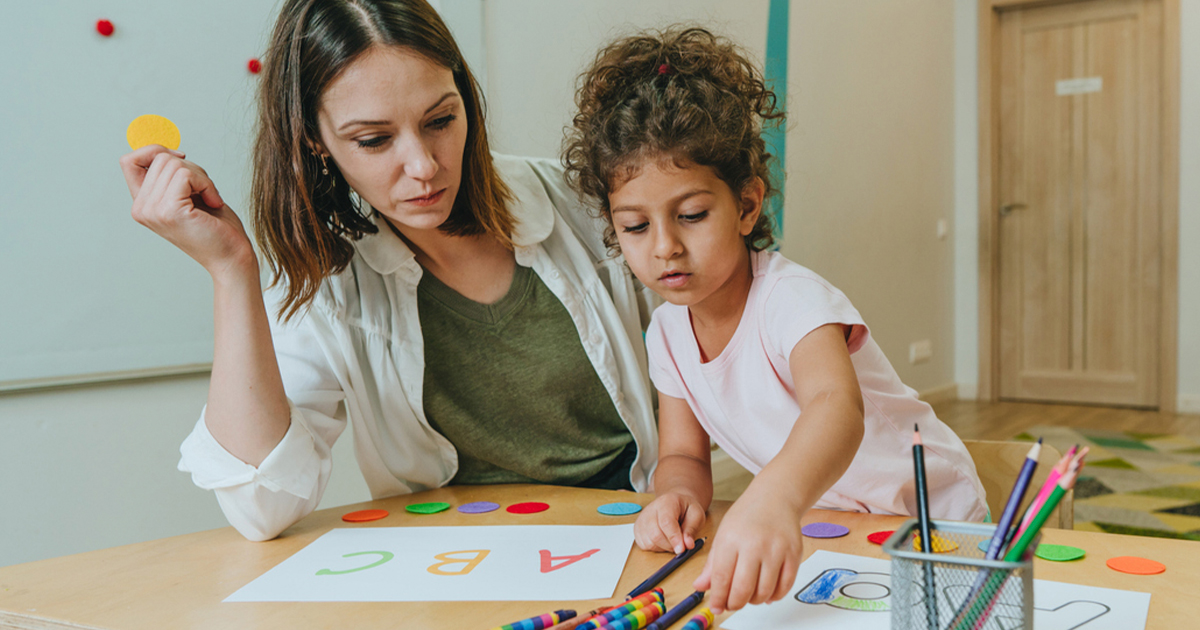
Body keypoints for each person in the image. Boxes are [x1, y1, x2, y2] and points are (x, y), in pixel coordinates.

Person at [117, 0, 660, 542]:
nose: (423, 166)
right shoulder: (326, 289)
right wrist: (231, 271)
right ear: (314, 139)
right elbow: (262, 506)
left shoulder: (587, 205)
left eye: (441, 120)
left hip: (640, 524)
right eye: (374, 140)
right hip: (463, 556)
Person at [563, 27, 988, 614]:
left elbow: (836, 409)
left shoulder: (792, 299)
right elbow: (685, 454)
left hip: (930, 519)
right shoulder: (666, 334)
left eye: (690, 215)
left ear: (745, 205)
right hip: (833, 527)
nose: (664, 247)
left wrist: (774, 500)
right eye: (635, 226)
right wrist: (677, 496)